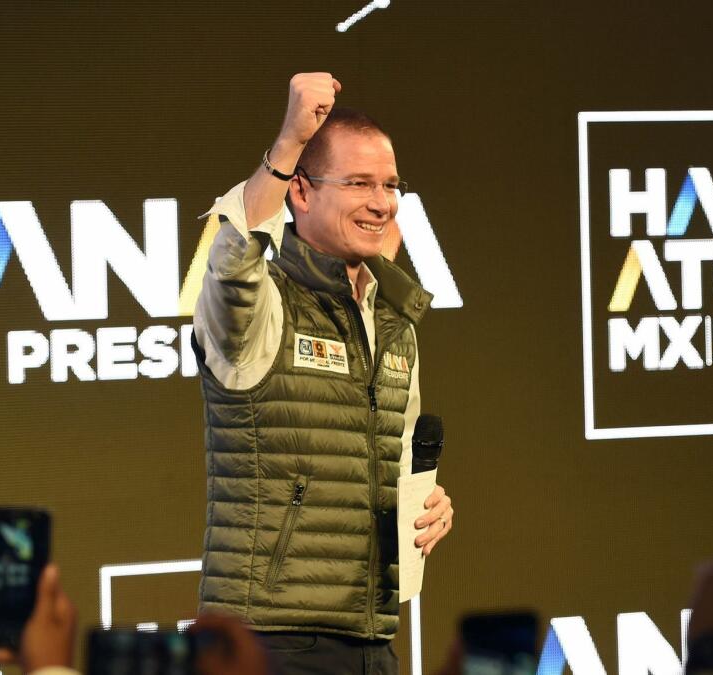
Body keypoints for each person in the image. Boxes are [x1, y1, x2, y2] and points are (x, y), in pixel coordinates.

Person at [192, 72, 455, 674]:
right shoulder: (264, 302)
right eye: (359, 183)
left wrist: (429, 503)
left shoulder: (395, 323)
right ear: (302, 194)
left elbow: (384, 465)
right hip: (264, 640)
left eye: (390, 185)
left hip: (371, 639)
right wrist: (289, 142)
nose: (381, 202)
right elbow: (234, 259)